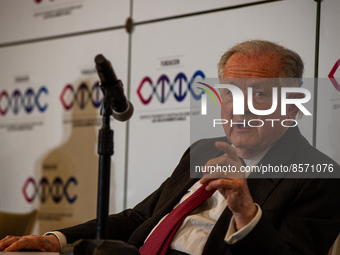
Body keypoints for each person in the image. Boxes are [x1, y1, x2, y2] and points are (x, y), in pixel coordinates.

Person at [1, 40, 339, 254]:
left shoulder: (318, 175)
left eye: (259, 94)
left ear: (292, 106)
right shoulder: (204, 149)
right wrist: (55, 240)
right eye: (229, 94)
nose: (240, 108)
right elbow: (141, 217)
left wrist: (245, 212)